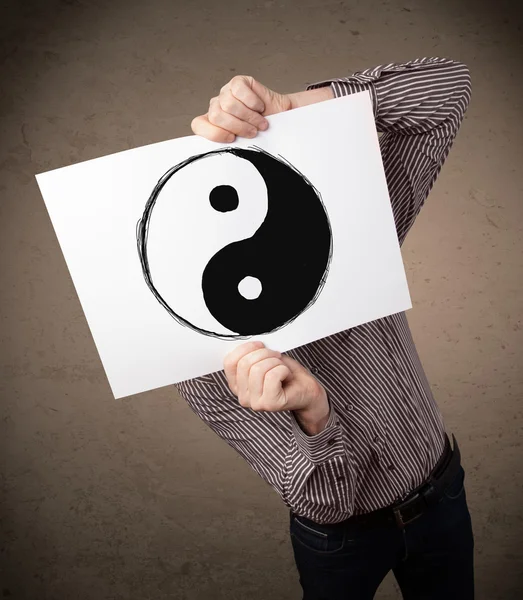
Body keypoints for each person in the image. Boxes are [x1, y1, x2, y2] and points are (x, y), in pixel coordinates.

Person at [179, 57, 473, 600]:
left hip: (442, 493)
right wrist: (315, 412)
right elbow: (327, 504)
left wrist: (297, 108)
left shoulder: (351, 233)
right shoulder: (198, 360)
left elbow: (444, 89)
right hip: (343, 544)